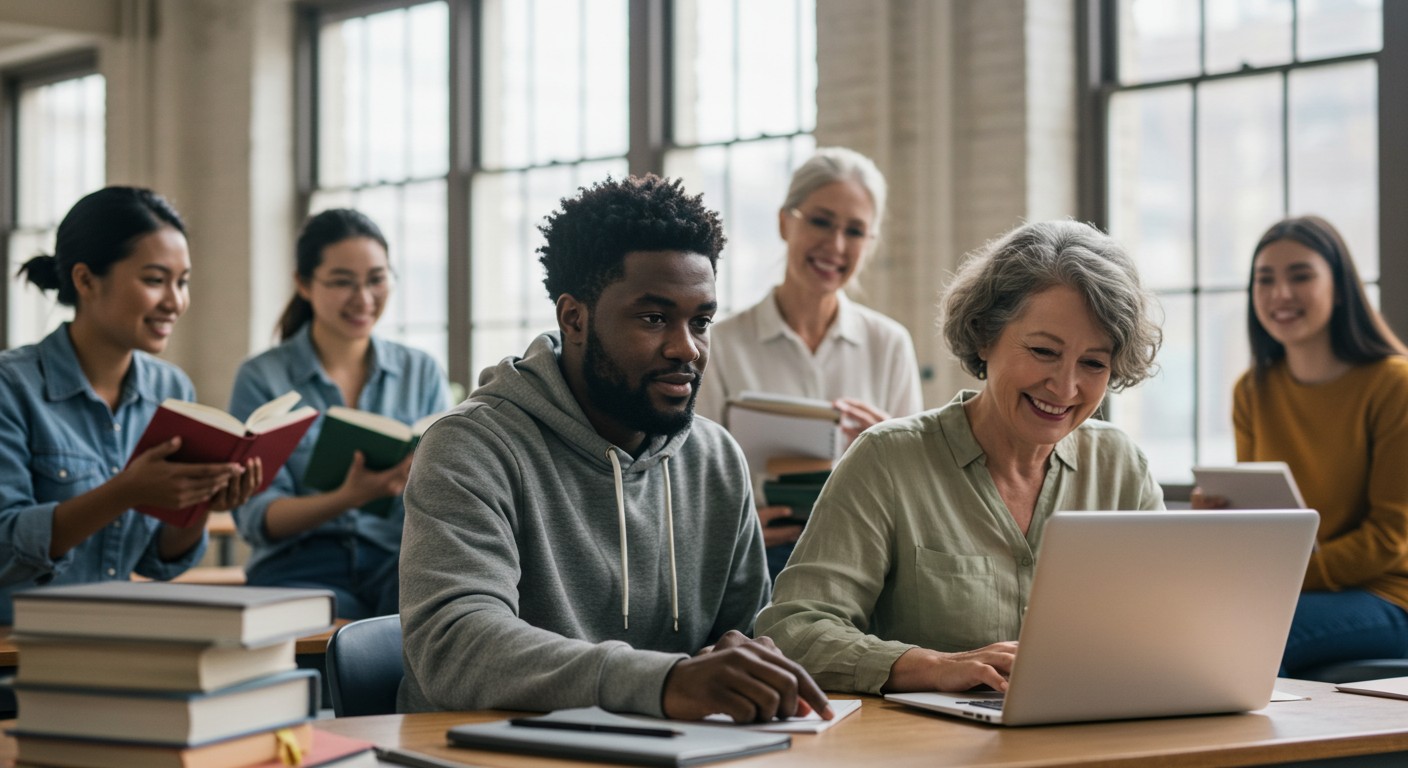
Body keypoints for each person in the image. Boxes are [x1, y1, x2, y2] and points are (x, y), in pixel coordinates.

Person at [398, 175, 830, 722]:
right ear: (573, 318)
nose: (686, 348)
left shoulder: (716, 459)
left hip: (671, 752)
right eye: (654, 319)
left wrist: (755, 663)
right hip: (490, 754)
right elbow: (453, 648)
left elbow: (741, 637)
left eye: (701, 322)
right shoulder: (472, 447)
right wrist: (663, 681)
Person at [754, 220, 1164, 694]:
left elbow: (1166, 626)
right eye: (1044, 351)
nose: (1066, 387)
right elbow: (791, 631)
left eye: (1093, 363)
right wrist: (931, 667)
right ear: (984, 336)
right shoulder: (887, 460)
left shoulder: (1121, 468)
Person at [0, 186, 261, 623]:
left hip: (117, 636)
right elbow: (6, 547)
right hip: (18, 649)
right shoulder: (12, 386)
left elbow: (159, 561)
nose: (175, 302)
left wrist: (198, 504)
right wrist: (127, 491)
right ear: (85, 280)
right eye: (155, 280)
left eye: (182, 282)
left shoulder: (170, 388)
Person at [1195, 215, 1408, 674]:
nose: (1280, 294)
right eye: (1264, 280)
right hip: (1293, 589)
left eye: (1301, 276)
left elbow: (1390, 540)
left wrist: (1281, 577)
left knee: (1248, 639)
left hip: (1392, 595)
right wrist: (1221, 522)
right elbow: (1264, 521)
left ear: (1342, 286)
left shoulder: (1396, 385)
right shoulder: (1252, 391)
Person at [695, 147, 923, 569]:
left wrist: (893, 447)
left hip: (863, 555)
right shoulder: (721, 343)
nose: (835, 245)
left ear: (869, 244)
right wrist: (734, 530)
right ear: (785, 222)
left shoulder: (888, 343)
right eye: (820, 221)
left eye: (854, 231)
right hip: (756, 555)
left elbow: (917, 490)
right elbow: (696, 478)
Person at [228, 209, 450, 620]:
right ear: (304, 284)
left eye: (377, 279)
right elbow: (257, 517)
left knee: (449, 620)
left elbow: (449, 493)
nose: (364, 299)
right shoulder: (263, 377)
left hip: (397, 564)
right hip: (299, 567)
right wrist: (351, 496)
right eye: (342, 282)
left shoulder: (421, 371)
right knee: (353, 649)